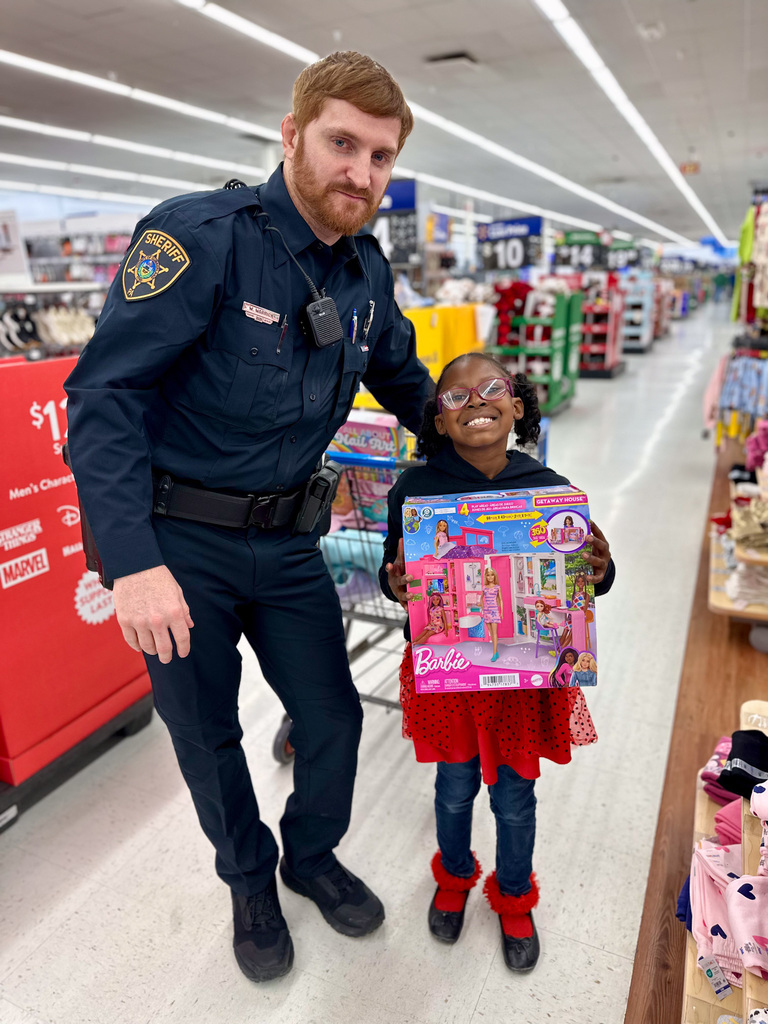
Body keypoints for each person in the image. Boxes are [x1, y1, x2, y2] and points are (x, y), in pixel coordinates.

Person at [64, 51, 433, 983]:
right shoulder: (201, 238)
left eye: (381, 156)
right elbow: (104, 398)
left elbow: (402, 379)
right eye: (343, 143)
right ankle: (251, 880)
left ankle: (310, 856)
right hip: (179, 549)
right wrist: (130, 564)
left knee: (334, 718)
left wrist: (488, 443)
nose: (361, 172)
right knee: (209, 734)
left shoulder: (364, 272)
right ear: (293, 133)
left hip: (291, 542)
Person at [380, 352, 615, 972]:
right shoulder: (415, 491)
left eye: (491, 390)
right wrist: (397, 582)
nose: (475, 403)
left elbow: (588, 580)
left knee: (515, 796)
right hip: (449, 678)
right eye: (455, 398)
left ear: (516, 404)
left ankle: (514, 894)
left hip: (521, 681)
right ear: (436, 420)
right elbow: (394, 575)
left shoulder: (550, 489)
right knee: (453, 789)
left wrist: (602, 568)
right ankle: (454, 877)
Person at [482, 567, 503, 661]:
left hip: (494, 611)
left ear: (494, 576)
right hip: (486, 611)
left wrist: (501, 612)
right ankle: (496, 651)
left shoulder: (497, 587)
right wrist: (482, 607)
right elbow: (481, 598)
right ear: (486, 577)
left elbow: (501, 600)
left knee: (494, 633)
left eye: (492, 575)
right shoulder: (484, 588)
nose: (490, 577)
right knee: (491, 633)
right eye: (488, 575)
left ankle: (494, 653)